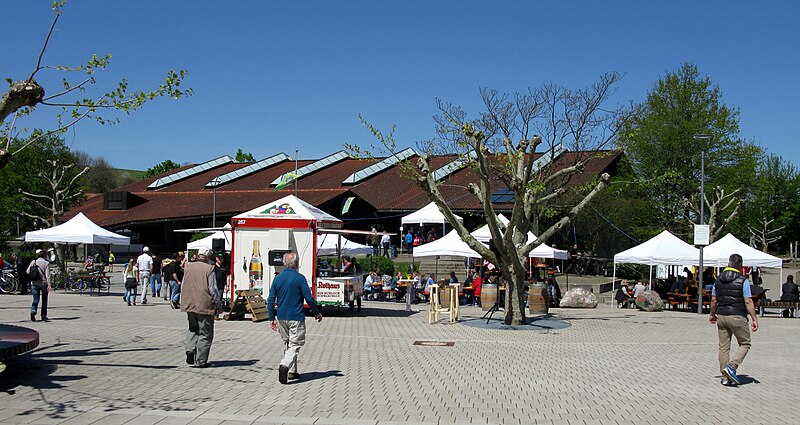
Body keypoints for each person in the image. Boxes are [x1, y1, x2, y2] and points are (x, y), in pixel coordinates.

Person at [268, 252, 322, 384]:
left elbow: (270, 300)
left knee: (288, 343)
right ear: (297, 264)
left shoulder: (277, 278)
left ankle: (292, 371)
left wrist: (271, 318)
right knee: (296, 344)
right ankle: (285, 365)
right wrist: (316, 313)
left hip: (281, 316)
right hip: (296, 316)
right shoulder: (300, 278)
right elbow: (309, 298)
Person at [709, 253, 758, 386]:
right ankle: (732, 367)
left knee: (724, 347)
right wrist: (754, 318)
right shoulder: (743, 280)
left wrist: (712, 314)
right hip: (737, 315)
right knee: (745, 343)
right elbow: (748, 301)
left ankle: (724, 376)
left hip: (722, 315)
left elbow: (714, 299)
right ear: (740, 266)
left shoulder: (718, 280)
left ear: (729, 263)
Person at [180, 248, 220, 368]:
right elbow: (213, 289)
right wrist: (218, 304)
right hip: (204, 304)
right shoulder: (209, 268)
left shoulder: (188, 266)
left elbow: (183, 284)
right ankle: (201, 361)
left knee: (193, 328)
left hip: (189, 303)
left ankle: (190, 349)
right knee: (205, 333)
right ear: (208, 256)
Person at [29, 249, 50, 322]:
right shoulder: (46, 263)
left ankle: (33, 310)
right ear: (44, 255)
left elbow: (28, 271)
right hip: (43, 283)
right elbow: (48, 275)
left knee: (35, 299)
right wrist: (49, 285)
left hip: (34, 283)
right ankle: (43, 316)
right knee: (44, 300)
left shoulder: (33, 262)